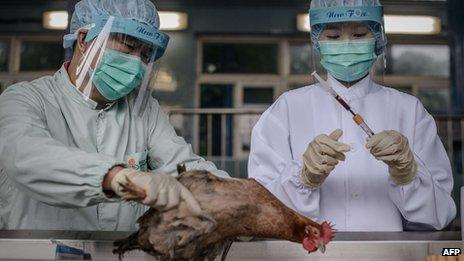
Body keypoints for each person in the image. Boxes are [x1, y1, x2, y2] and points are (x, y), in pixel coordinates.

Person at [0, 0, 228, 230]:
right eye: (128, 47)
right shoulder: (24, 99)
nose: (137, 63)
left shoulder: (143, 110)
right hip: (36, 251)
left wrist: (241, 196)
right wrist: (116, 178)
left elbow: (182, 164)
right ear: (83, 40)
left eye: (145, 55)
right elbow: (27, 157)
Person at [248, 0, 456, 231]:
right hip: (309, 254)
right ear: (318, 42)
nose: (346, 44)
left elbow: (439, 216)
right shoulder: (286, 109)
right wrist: (302, 178)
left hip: (389, 254)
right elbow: (260, 209)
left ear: (377, 38)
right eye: (334, 37)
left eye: (359, 34)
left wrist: (408, 175)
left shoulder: (409, 110)